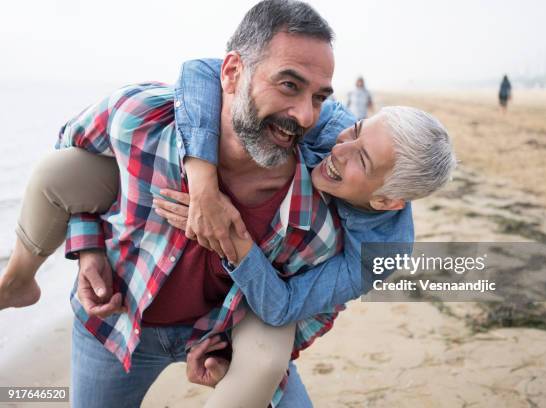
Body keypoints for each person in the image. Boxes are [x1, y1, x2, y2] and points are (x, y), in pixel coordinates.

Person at [0, 2, 455, 407]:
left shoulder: (333, 221)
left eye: (316, 97)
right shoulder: (153, 121)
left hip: (231, 331)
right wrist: (89, 249)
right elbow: (196, 72)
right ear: (234, 74)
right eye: (289, 85)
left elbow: (293, 310)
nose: (309, 119)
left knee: (265, 360)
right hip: (116, 321)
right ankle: (18, 280)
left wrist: (234, 246)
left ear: (386, 199)